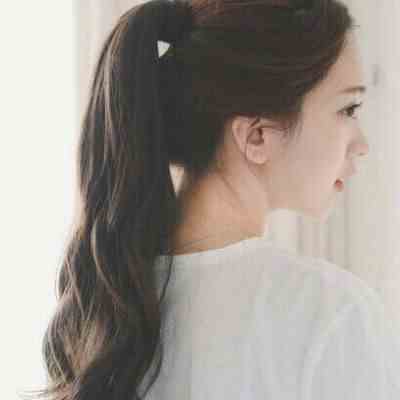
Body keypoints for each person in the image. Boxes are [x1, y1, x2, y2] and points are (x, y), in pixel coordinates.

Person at [24, 1, 400, 400]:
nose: (362, 144)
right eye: (347, 109)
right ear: (256, 136)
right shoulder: (329, 313)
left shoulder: (105, 315)